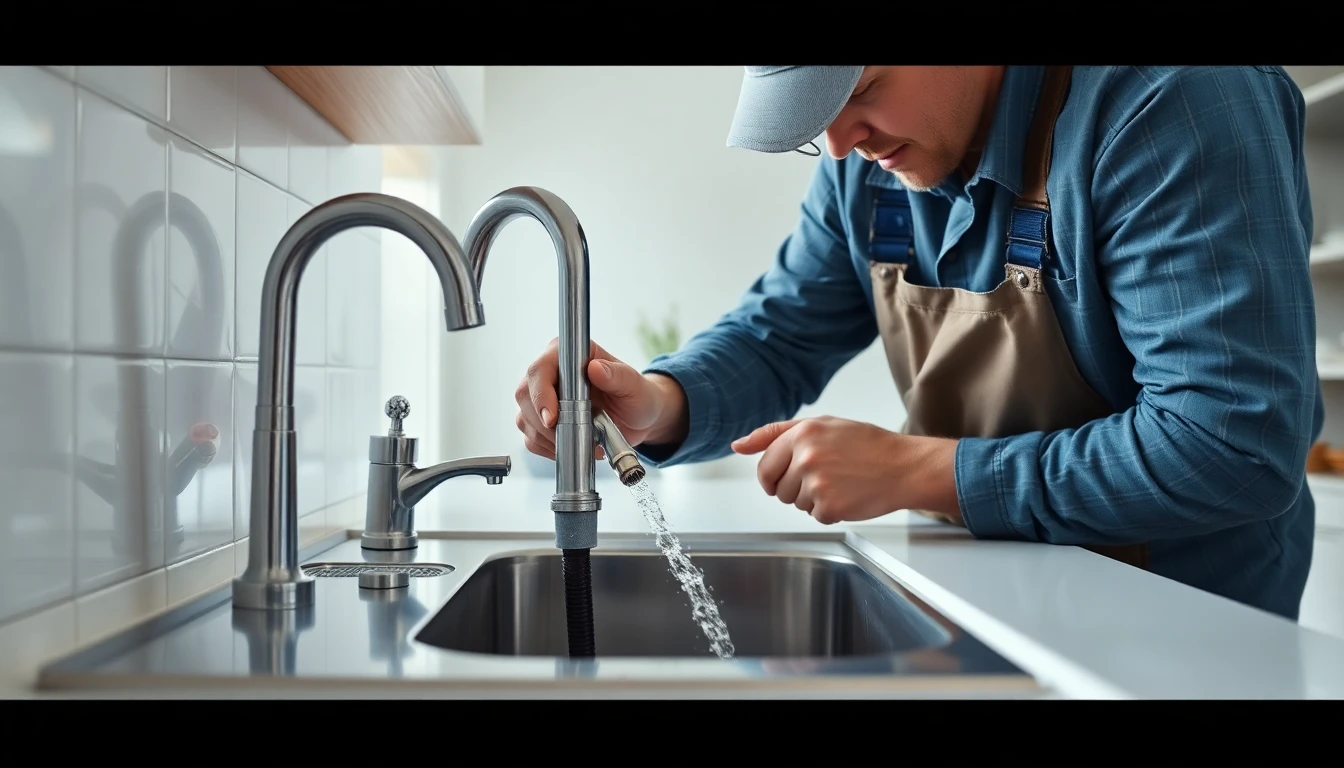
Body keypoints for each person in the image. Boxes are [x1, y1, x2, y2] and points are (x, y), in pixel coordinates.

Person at [513, 65, 1321, 622]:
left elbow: (1231, 443)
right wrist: (657, 404)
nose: (839, 145)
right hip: (987, 600)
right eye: (812, 117)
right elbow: (780, 335)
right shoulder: (866, 160)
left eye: (862, 89)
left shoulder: (1174, 100)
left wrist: (919, 470)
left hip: (1178, 627)